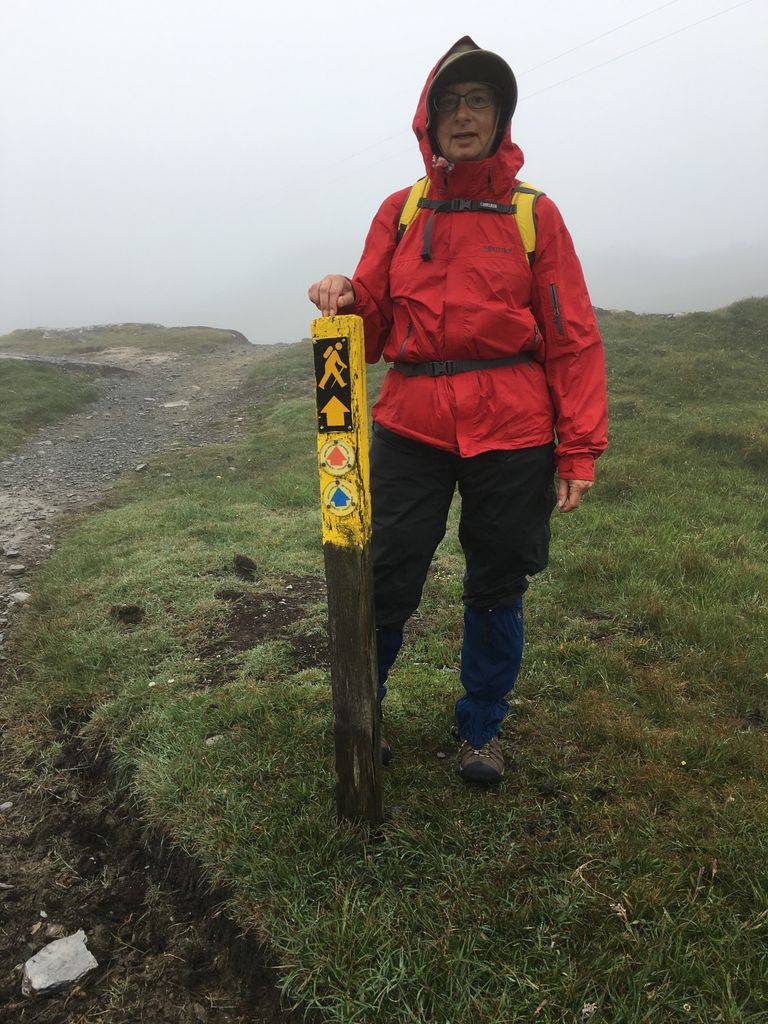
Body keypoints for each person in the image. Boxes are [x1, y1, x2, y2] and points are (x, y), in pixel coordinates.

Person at [308, 37, 607, 784]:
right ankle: (363, 715)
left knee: (499, 581)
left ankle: (481, 732)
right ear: (428, 120)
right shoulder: (400, 211)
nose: (464, 115)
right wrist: (344, 294)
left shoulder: (535, 214)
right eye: (449, 102)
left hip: (513, 429)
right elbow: (372, 329)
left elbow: (570, 334)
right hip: (411, 424)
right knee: (386, 571)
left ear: (501, 116)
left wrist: (578, 448)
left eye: (479, 100)